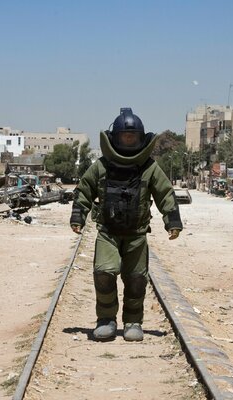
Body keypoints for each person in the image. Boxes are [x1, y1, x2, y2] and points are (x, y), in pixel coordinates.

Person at [70, 108, 183, 342]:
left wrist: (172, 221)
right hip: (108, 234)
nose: (129, 142)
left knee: (136, 279)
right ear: (115, 138)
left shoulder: (149, 167)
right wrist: (78, 216)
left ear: (141, 139)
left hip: (137, 235)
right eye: (125, 137)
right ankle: (106, 320)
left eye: (133, 138)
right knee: (103, 274)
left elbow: (165, 193)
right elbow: (84, 190)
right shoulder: (101, 166)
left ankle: (133, 321)